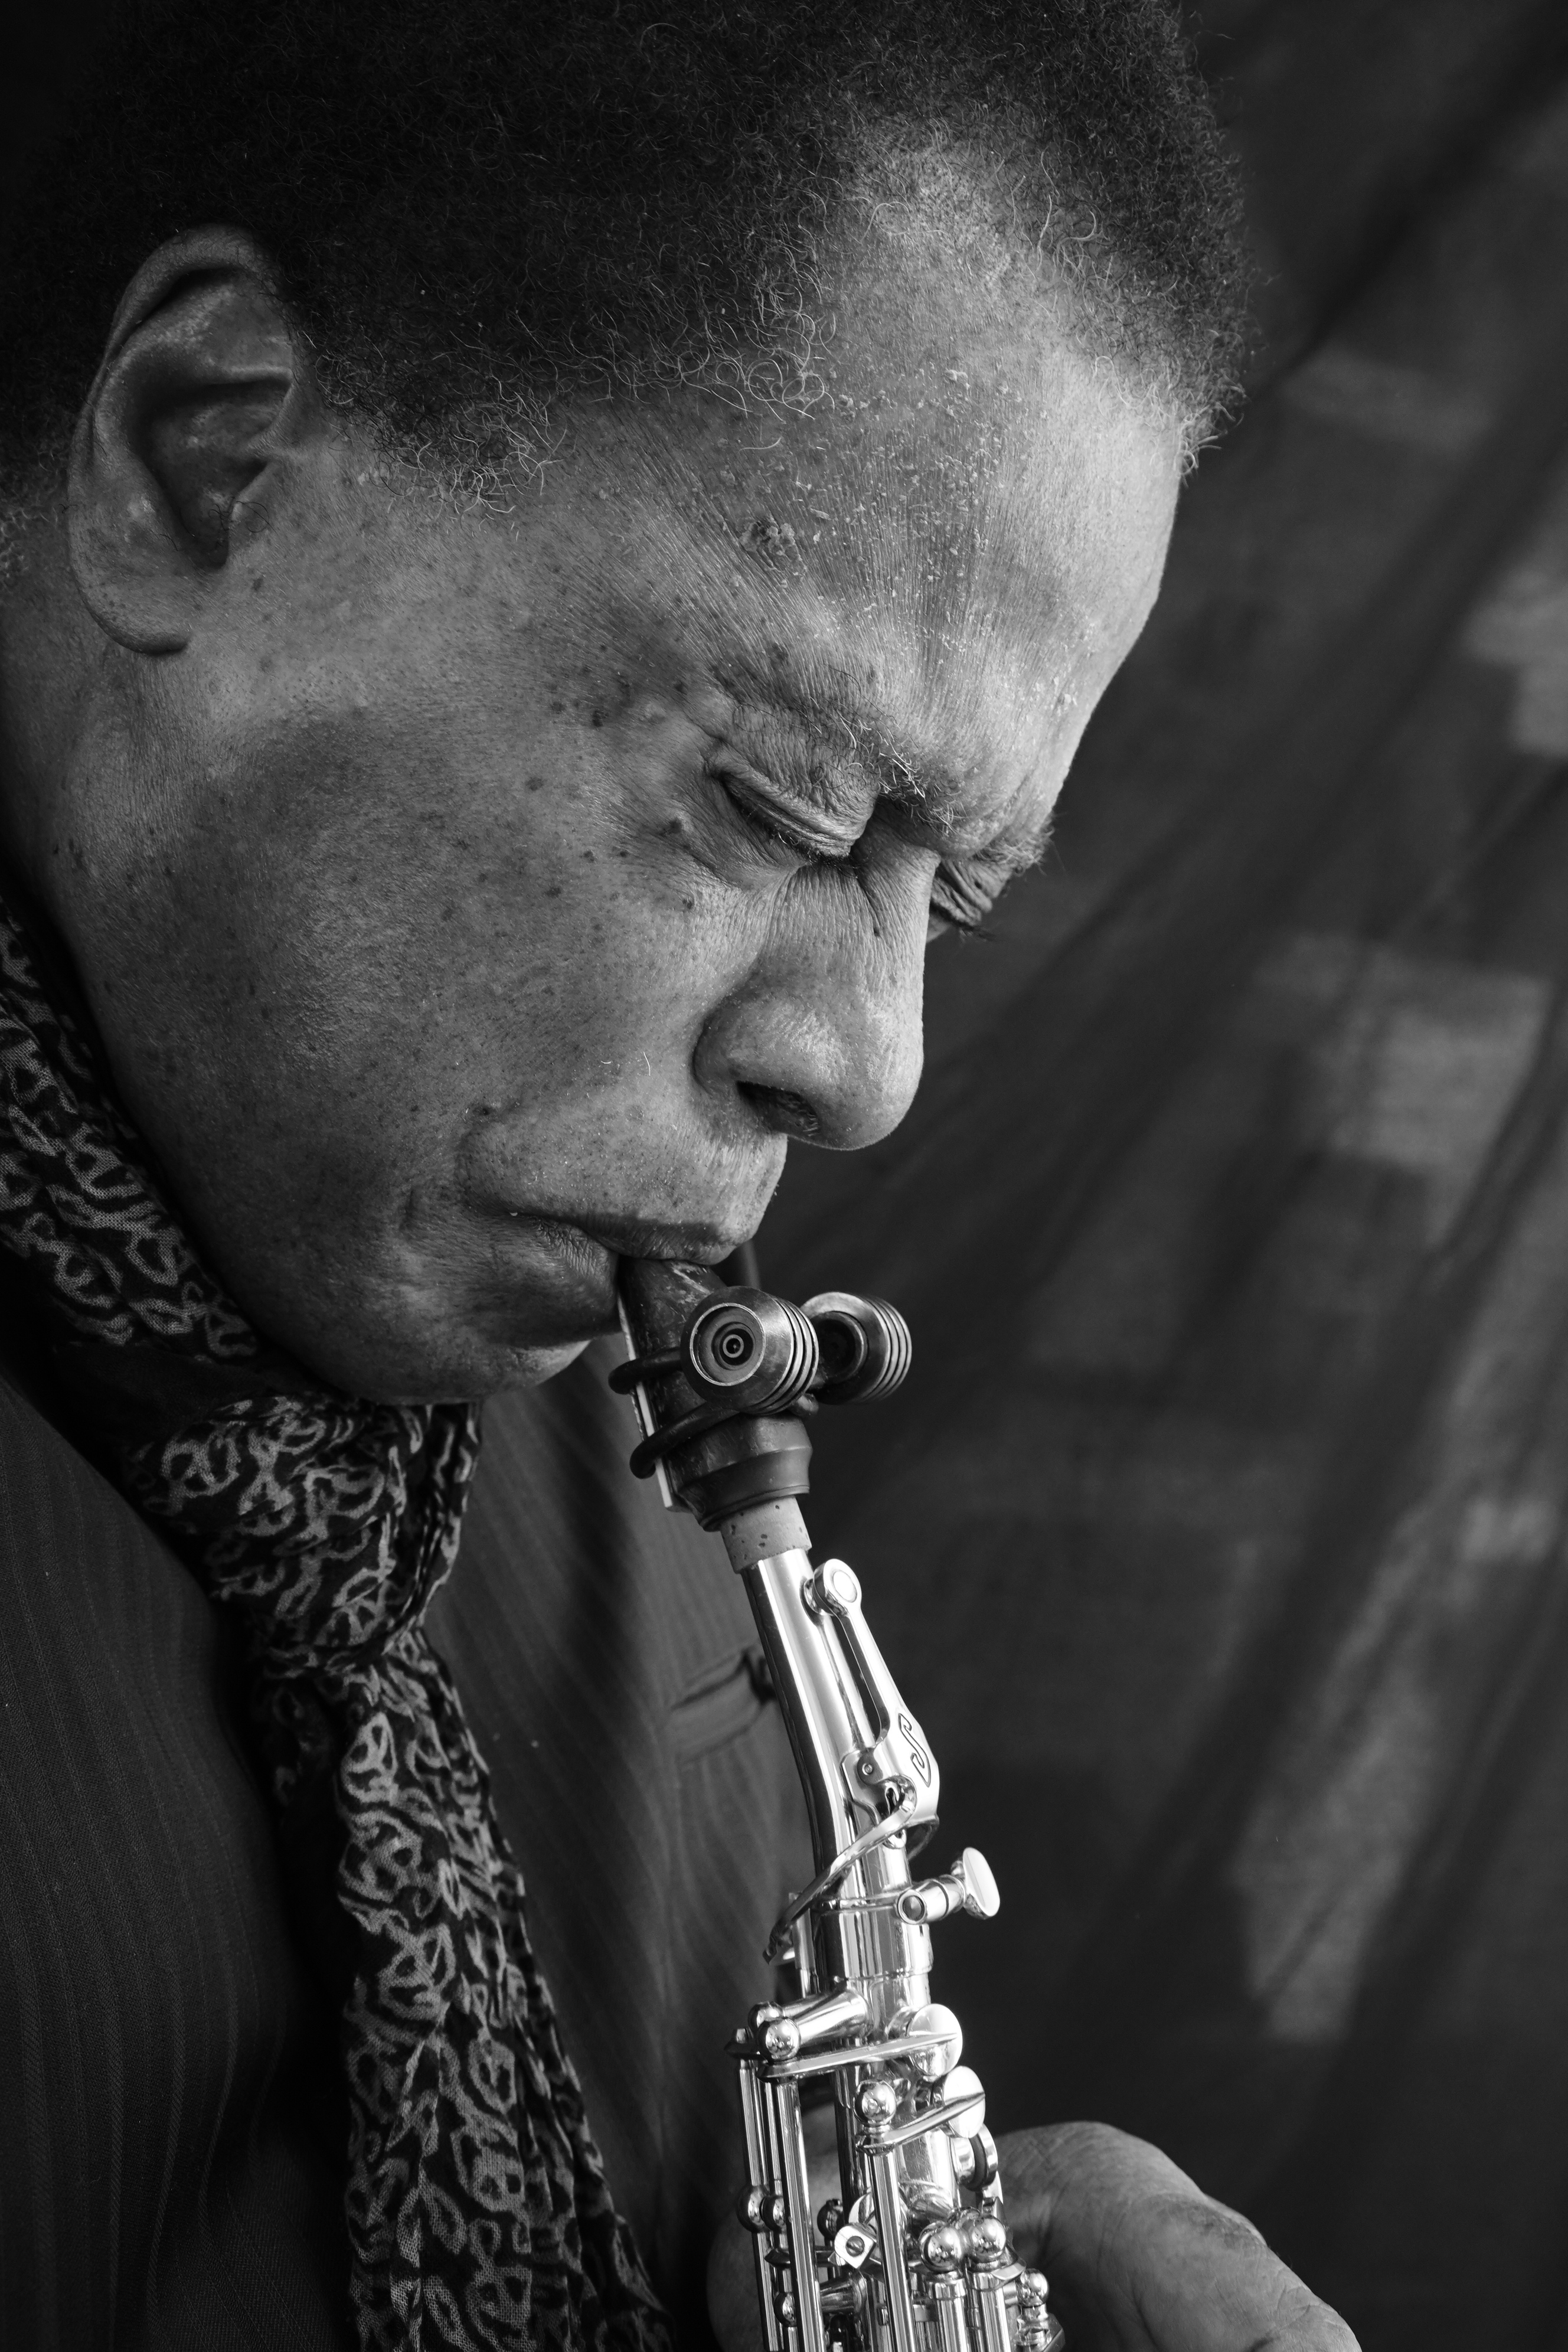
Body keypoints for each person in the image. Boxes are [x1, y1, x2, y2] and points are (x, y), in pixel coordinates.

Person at [0, 1, 1358, 2346]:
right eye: (773, 801)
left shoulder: (692, 1597)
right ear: (198, 461)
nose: (868, 1072)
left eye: (949, 894)